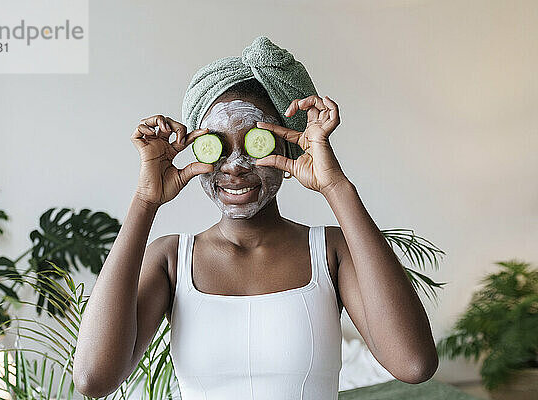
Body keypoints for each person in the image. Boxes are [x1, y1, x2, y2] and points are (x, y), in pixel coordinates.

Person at [73, 36, 438, 399]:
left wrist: (335, 186)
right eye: (216, 143)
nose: (234, 165)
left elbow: (413, 364)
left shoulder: (331, 251)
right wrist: (145, 200)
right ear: (195, 147)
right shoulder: (170, 259)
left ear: (288, 144)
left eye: (254, 141)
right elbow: (93, 379)